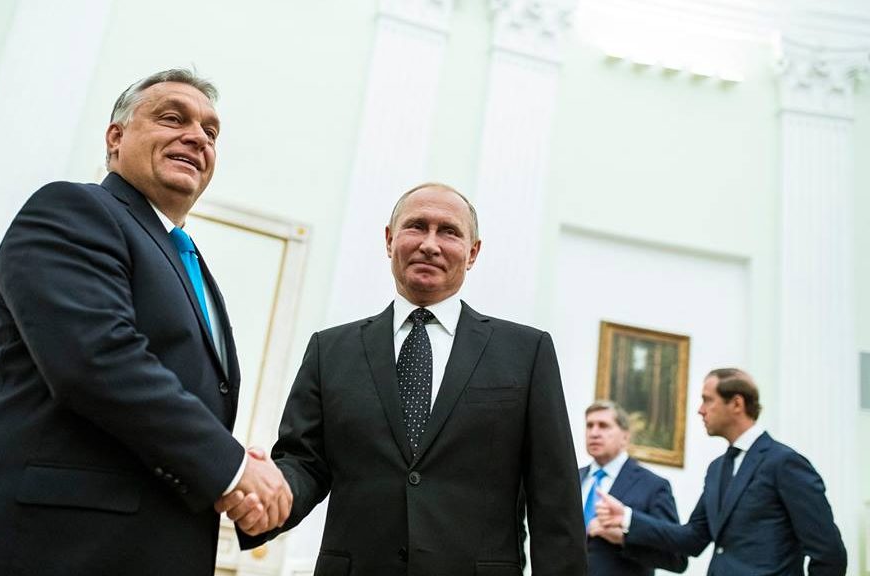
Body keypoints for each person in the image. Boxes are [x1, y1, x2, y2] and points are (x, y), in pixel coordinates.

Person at [0, 69, 290, 576]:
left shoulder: (189, 262)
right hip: (35, 547)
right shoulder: (75, 208)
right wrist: (233, 468)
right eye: (173, 118)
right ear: (115, 137)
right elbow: (97, 357)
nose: (197, 137)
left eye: (211, 131)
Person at [225, 183, 587, 575]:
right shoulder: (330, 350)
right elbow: (304, 463)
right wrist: (268, 498)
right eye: (416, 226)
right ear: (389, 239)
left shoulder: (526, 352)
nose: (430, 244)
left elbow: (555, 497)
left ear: (473, 253)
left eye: (449, 232)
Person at [595, 368, 847, 575]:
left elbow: (828, 552)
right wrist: (628, 518)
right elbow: (693, 538)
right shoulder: (717, 469)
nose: (700, 410)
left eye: (708, 400)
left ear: (736, 403)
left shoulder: (784, 463)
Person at [580, 400, 686, 575]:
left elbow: (676, 558)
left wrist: (624, 539)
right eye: (589, 426)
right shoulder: (573, 478)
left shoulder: (654, 486)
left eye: (603, 426)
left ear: (625, 437)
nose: (594, 433)